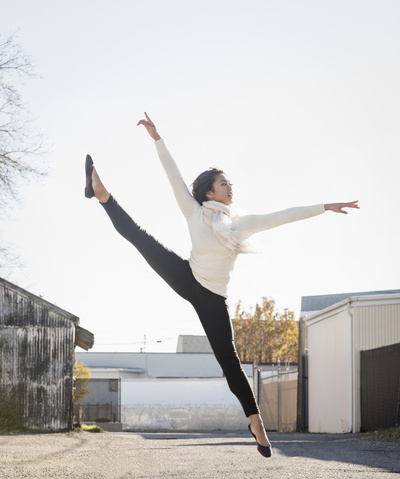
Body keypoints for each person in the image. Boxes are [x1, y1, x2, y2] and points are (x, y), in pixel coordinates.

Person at [85, 113, 359, 458]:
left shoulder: (240, 225)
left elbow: (283, 214)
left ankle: (255, 422)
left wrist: (324, 206)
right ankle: (101, 193)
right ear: (209, 190)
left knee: (229, 360)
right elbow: (173, 174)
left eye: (230, 183)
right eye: (224, 183)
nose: (231, 187)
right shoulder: (194, 211)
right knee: (140, 238)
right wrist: (158, 139)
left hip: (214, 298)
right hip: (187, 277)